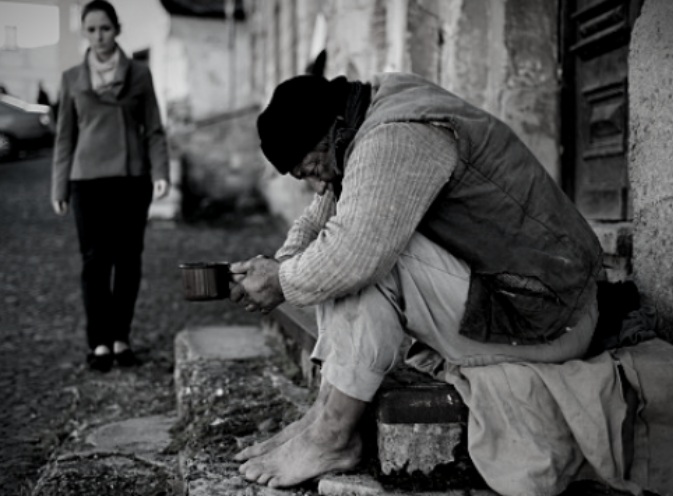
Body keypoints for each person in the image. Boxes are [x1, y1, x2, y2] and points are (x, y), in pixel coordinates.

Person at [228, 72, 603, 488]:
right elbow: (321, 212)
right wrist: (276, 265)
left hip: (547, 322)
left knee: (361, 259)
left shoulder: (395, 137)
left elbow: (349, 256)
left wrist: (280, 280)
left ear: (333, 130)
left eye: (313, 166)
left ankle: (332, 436)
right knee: (346, 249)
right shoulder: (371, 108)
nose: (318, 180)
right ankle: (321, 421)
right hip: (539, 302)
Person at [51, 0, 169, 372]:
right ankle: (98, 342)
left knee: (128, 259)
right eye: (91, 30)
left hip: (131, 178)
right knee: (94, 262)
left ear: (117, 29)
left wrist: (160, 172)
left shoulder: (138, 73)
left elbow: (154, 129)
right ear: (84, 33)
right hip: (86, 181)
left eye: (105, 28)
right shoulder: (72, 78)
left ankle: (121, 337)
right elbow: (64, 137)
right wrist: (59, 186)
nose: (99, 36)